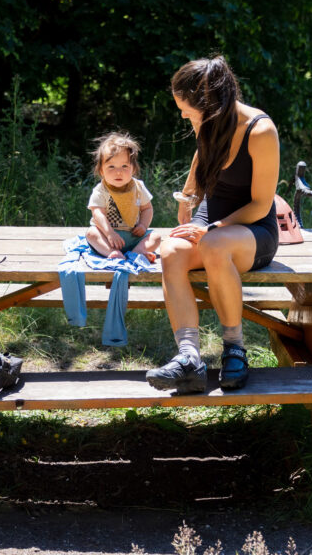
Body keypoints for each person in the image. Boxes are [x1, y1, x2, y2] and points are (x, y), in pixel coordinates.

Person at [146, 56, 280, 394]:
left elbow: (261, 204)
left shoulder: (260, 130)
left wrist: (213, 228)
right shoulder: (210, 122)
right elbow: (201, 153)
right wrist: (188, 197)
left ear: (211, 106)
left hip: (252, 228)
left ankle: (234, 348)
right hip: (211, 221)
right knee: (171, 250)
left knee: (214, 246)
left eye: (187, 110)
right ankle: (189, 359)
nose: (182, 115)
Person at [86, 132, 162, 261]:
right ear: (101, 171)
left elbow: (147, 208)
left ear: (133, 169)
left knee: (156, 237)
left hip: (133, 236)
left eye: (125, 166)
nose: (119, 172)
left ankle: (137, 252)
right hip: (108, 236)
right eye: (111, 166)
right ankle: (112, 253)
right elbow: (98, 214)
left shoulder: (138, 187)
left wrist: (143, 226)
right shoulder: (101, 190)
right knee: (91, 234)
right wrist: (110, 234)